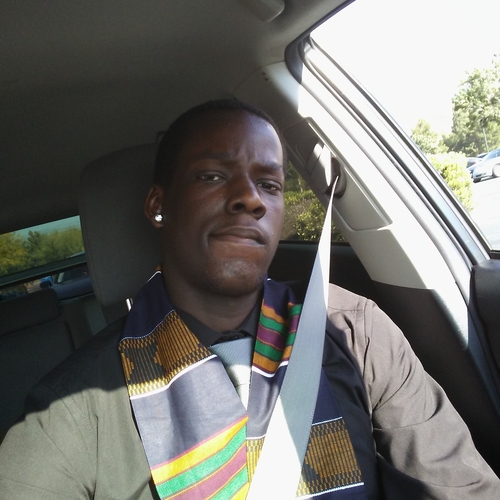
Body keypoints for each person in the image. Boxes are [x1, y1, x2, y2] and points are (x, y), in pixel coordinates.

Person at [0, 99, 499, 499]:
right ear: (158, 206)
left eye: (269, 184)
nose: (251, 199)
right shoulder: (71, 409)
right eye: (213, 175)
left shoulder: (354, 330)